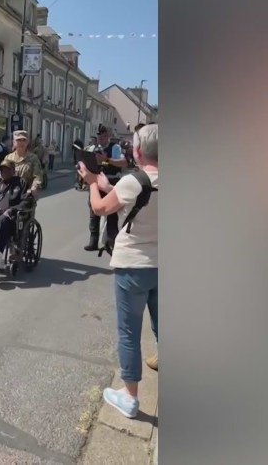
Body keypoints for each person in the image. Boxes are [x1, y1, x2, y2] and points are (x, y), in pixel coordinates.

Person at [77, 123, 159, 419]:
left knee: (129, 333)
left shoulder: (132, 181)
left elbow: (100, 208)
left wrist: (90, 182)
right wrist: (111, 187)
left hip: (132, 267)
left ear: (137, 151)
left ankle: (130, 397)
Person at [84, 126, 128, 251]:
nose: (100, 139)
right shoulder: (93, 149)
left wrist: (107, 159)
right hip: (96, 183)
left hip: (111, 180)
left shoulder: (115, 147)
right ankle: (93, 241)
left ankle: (111, 242)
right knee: (94, 212)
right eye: (99, 137)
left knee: (111, 213)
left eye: (103, 137)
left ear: (108, 136)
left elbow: (123, 163)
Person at [3, 130, 43, 197]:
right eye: (18, 140)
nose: (21, 142)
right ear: (14, 142)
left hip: (26, 194)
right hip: (10, 194)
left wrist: (34, 187)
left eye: (24, 140)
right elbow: (2, 175)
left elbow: (38, 176)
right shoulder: (8, 158)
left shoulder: (33, 158)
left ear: (27, 142)